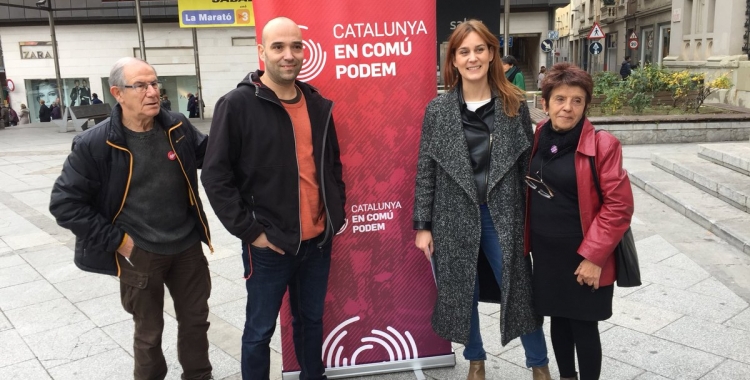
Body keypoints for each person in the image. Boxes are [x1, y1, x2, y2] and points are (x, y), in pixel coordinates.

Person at [49, 57, 214, 380]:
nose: (152, 92)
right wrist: (119, 242)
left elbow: (215, 157)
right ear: (117, 93)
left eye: (155, 84)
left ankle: (199, 376)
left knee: (196, 321)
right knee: (149, 333)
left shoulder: (177, 127)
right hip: (139, 252)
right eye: (140, 85)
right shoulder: (95, 144)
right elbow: (64, 204)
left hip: (186, 248)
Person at [201, 17, 346, 380]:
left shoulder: (317, 104)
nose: (288, 55)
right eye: (279, 47)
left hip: (317, 242)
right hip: (269, 246)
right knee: (259, 331)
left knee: (311, 321)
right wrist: (251, 232)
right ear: (262, 51)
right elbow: (215, 176)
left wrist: (334, 215)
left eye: (296, 46)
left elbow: (330, 166)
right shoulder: (236, 105)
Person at [413, 20, 550, 380]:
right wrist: (422, 225)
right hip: (451, 216)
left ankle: (539, 364)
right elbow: (426, 170)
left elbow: (526, 167)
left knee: (520, 290)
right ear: (453, 60)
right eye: (464, 51)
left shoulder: (514, 105)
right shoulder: (438, 110)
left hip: (502, 215)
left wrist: (534, 221)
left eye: (479, 49)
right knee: (462, 291)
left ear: (491, 54)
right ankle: (476, 359)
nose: (472, 58)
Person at [527, 62, 634, 380]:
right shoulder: (538, 138)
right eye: (560, 99)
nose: (568, 107)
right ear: (544, 103)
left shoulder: (603, 145)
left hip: (584, 252)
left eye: (577, 100)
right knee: (559, 321)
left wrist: (593, 257)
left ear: (586, 104)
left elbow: (619, 207)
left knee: (584, 326)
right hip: (547, 254)